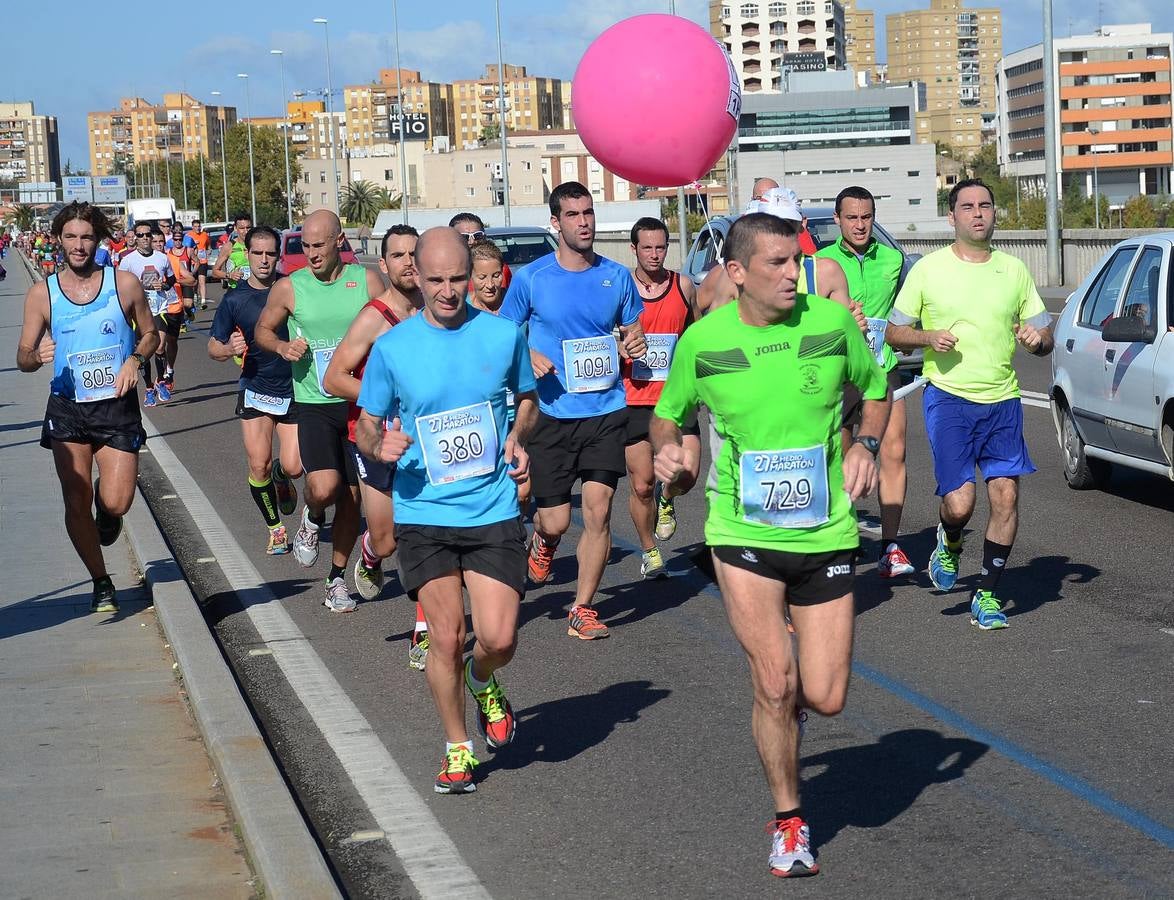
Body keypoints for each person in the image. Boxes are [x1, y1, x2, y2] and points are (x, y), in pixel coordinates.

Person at [651, 212, 890, 877]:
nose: (794, 274)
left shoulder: (831, 324)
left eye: (797, 262)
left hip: (827, 529)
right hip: (741, 530)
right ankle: (789, 822)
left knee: (828, 693)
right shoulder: (703, 342)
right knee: (775, 679)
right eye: (779, 264)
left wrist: (865, 445)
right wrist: (672, 454)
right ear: (737, 273)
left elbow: (876, 392)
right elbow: (667, 416)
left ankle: (789, 717)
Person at [355, 226, 538, 794]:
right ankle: (458, 747)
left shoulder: (503, 335)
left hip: (491, 505)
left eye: (458, 277)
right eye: (435, 279)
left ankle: (483, 680)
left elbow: (527, 399)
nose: (448, 290)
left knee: (499, 637)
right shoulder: (393, 347)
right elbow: (366, 421)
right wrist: (375, 444)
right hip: (424, 509)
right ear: (415, 277)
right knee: (445, 634)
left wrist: (517, 437)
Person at [886, 179, 1053, 630]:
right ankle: (951, 537)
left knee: (1005, 495)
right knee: (960, 504)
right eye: (967, 207)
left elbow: (1044, 336)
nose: (977, 213)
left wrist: (1038, 340)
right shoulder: (928, 270)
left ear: (995, 213)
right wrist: (926, 337)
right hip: (949, 398)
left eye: (985, 205)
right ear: (952, 217)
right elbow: (894, 333)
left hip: (1003, 399)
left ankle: (986, 594)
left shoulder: (1014, 270)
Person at [500, 181, 647, 640]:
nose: (584, 222)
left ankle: (582, 608)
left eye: (588, 213)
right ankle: (544, 542)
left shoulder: (616, 276)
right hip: (551, 412)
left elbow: (632, 330)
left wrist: (635, 342)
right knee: (557, 519)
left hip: (605, 409)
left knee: (600, 511)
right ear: (556, 222)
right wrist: (527, 352)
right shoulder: (532, 279)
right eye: (574, 215)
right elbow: (504, 334)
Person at [16, 202, 160, 612]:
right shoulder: (42, 294)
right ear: (58, 239)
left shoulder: (125, 283)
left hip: (115, 407)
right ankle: (101, 581)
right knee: (74, 499)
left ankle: (108, 512)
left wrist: (135, 360)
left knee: (116, 502)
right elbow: (22, 356)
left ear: (98, 240)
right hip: (67, 408)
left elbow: (151, 334)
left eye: (86, 237)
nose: (79, 246)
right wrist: (35, 355)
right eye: (71, 237)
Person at [255, 209, 385, 613]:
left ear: (339, 241)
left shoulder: (364, 281)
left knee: (351, 500)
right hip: (312, 403)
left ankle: (336, 581)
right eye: (305, 246)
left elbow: (393, 325)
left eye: (318, 245)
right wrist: (281, 347)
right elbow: (262, 330)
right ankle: (311, 519)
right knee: (325, 489)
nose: (310, 253)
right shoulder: (290, 287)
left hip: (357, 404)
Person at [323, 224, 431, 667]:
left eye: (414, 254)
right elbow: (333, 378)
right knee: (387, 542)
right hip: (374, 440)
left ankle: (424, 631)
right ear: (382, 265)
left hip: (426, 444)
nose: (408, 262)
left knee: (428, 535)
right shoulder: (374, 317)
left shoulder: (439, 312)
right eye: (399, 255)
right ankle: (369, 552)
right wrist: (381, 394)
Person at [816, 186, 915, 577]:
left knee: (894, 452)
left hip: (882, 369)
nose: (860, 224)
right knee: (841, 462)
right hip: (838, 376)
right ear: (837, 220)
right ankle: (843, 534)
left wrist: (911, 333)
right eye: (852, 217)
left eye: (866, 217)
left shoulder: (893, 260)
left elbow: (909, 308)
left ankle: (890, 546)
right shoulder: (820, 263)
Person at [207, 225, 303, 555]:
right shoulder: (234, 299)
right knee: (257, 463)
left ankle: (281, 476)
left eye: (270, 253)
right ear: (246, 254)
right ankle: (275, 529)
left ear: (278, 256)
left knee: (293, 466)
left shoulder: (292, 289)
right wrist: (227, 350)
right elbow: (212, 348)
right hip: (255, 387)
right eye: (257, 253)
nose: (264, 260)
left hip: (292, 388)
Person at [623, 216, 701, 579]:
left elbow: (699, 336)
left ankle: (668, 499)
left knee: (687, 472)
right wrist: (620, 347)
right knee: (641, 485)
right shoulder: (621, 288)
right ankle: (650, 550)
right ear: (634, 249)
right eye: (647, 248)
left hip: (675, 399)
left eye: (661, 247)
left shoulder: (683, 285)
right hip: (634, 399)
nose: (655, 255)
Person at [696, 188, 858, 319]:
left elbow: (844, 335)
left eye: (788, 224)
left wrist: (856, 328)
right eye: (772, 224)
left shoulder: (826, 272)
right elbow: (713, 337)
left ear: (802, 224)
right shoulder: (733, 275)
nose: (780, 232)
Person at [469, 238, 532, 514]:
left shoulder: (514, 308)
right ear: (470, 276)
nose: (490, 284)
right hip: (482, 417)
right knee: (486, 493)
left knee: (522, 492)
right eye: (481, 277)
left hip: (517, 412)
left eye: (495, 275)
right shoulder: (463, 314)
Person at [119, 226, 178, 406]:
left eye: (147, 234)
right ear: (135, 238)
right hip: (139, 312)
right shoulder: (128, 261)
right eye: (140, 235)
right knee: (144, 351)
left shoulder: (162, 258)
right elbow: (119, 286)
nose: (145, 238)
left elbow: (172, 279)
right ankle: (149, 387)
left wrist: (165, 286)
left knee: (160, 347)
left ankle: (161, 381)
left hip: (159, 308)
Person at [450, 212, 513, 293]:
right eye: (464, 237)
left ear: (484, 237)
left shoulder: (501, 270)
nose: (472, 241)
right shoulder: (443, 271)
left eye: (477, 236)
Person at [211, 213, 253, 290]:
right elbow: (214, 272)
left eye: (248, 227)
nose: (246, 231)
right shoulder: (229, 246)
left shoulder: (256, 245)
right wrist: (230, 275)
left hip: (255, 290)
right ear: (235, 228)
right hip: (236, 290)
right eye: (242, 228)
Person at [186, 218, 213, 308]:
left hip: (202, 261)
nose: (197, 228)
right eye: (195, 226)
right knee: (194, 282)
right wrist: (193, 246)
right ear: (192, 227)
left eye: (199, 226)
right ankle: (195, 296)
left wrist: (209, 250)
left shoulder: (204, 235)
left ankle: (203, 301)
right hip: (192, 262)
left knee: (202, 281)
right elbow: (185, 249)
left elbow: (208, 245)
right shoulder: (188, 236)